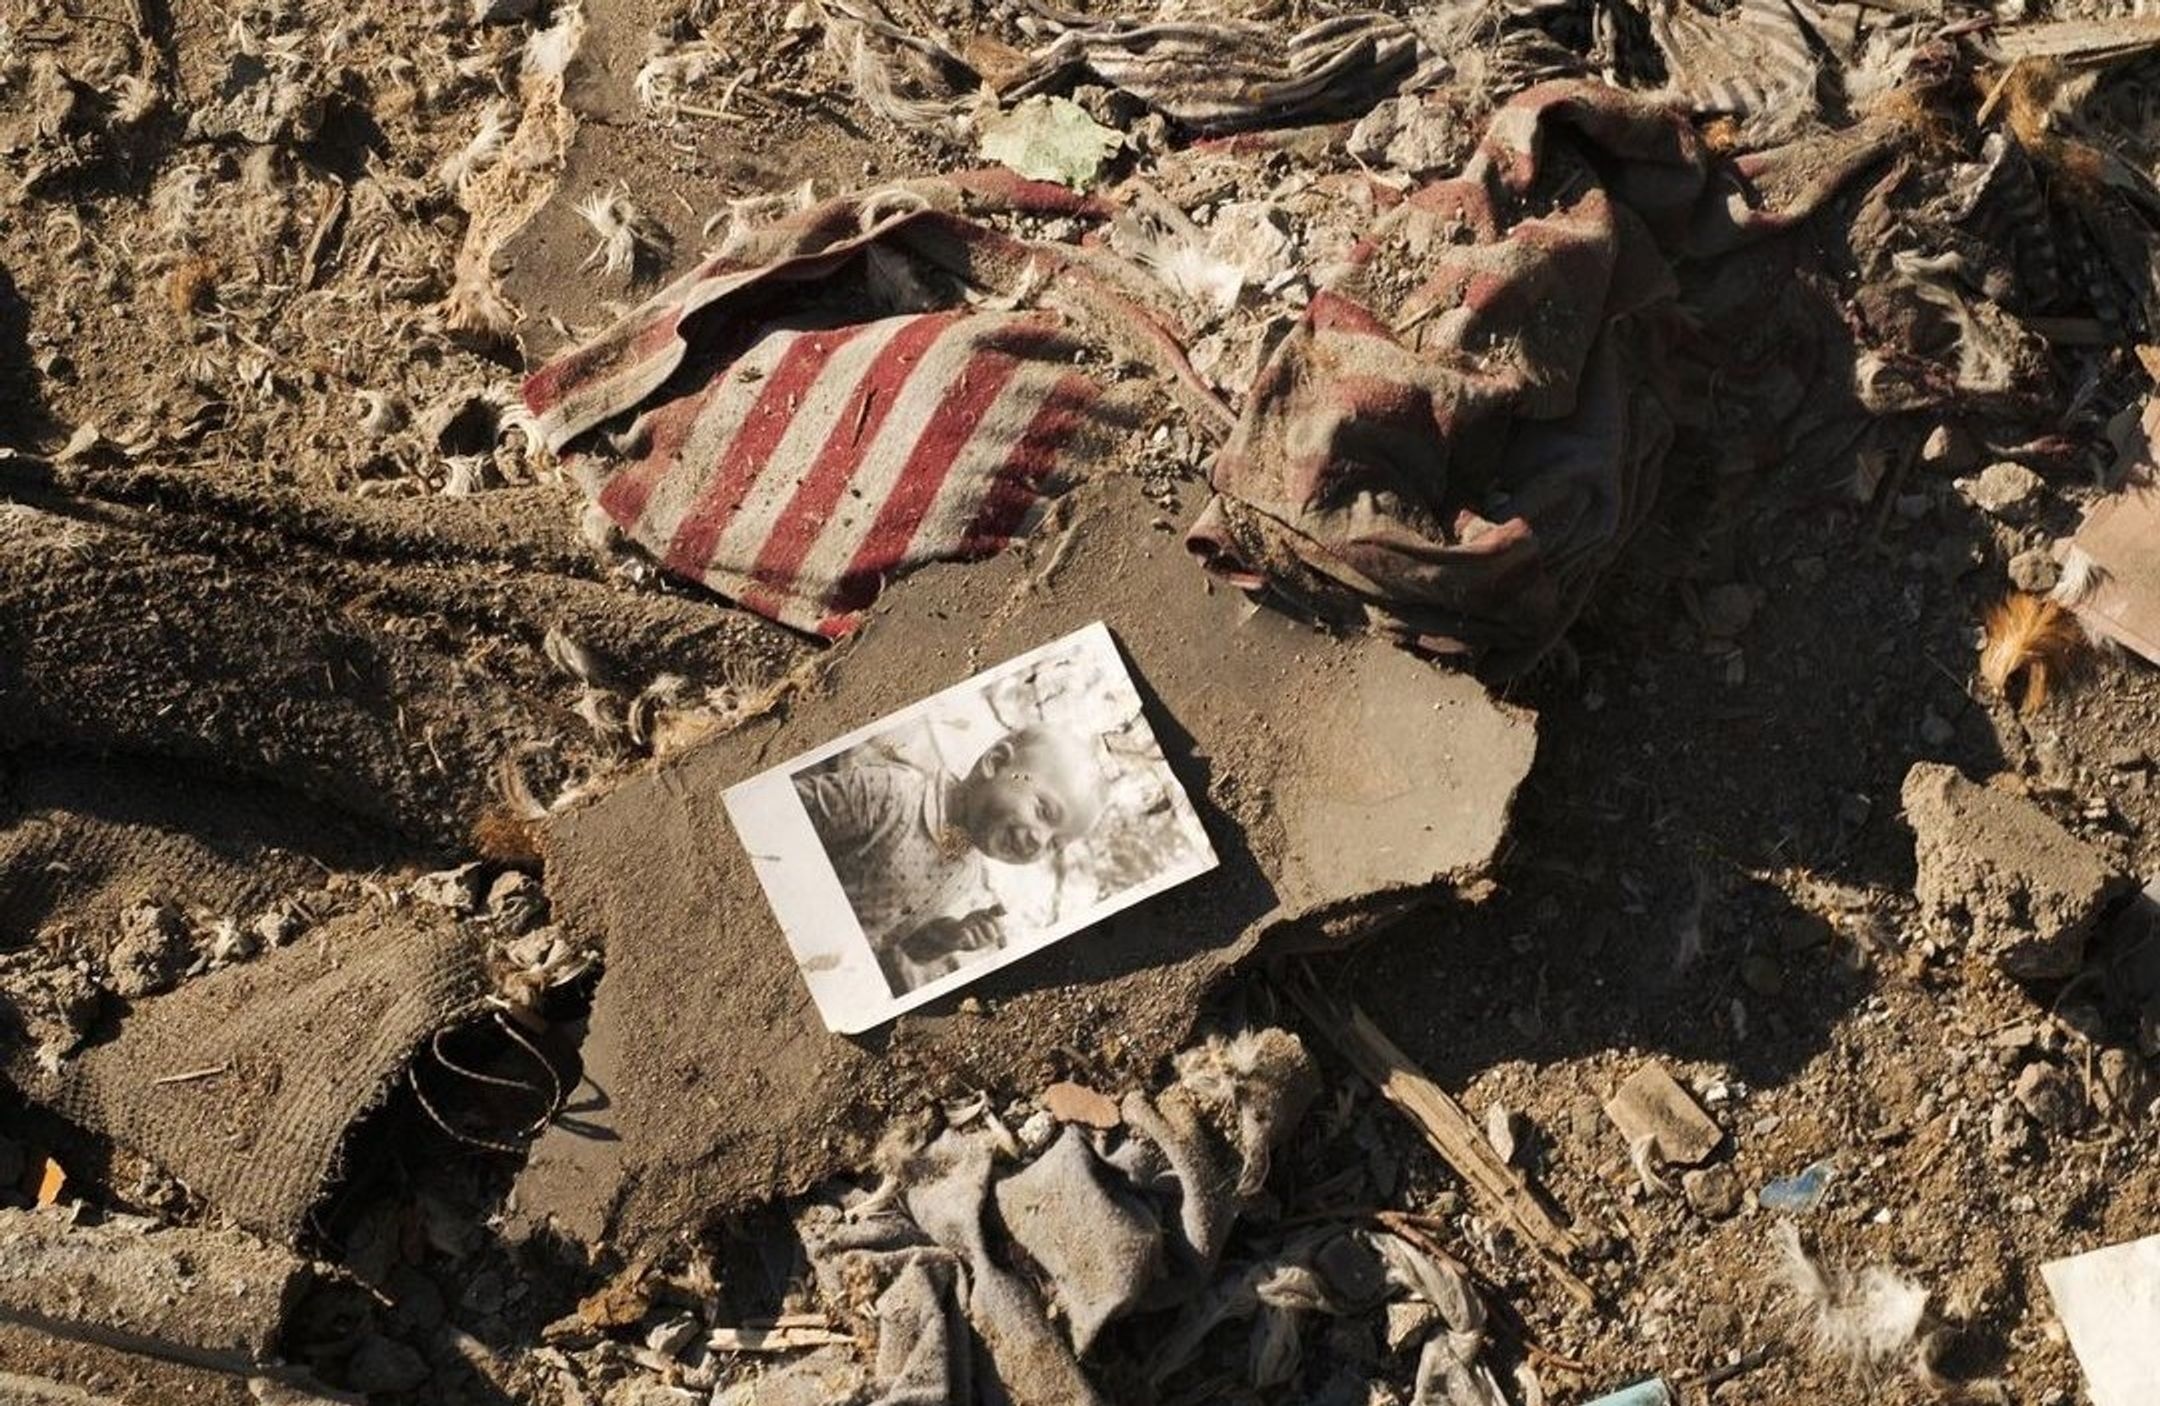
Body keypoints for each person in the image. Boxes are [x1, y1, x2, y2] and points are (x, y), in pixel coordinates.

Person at [794, 724, 1108, 995]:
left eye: (1055, 844)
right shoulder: (892, 795)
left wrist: (948, 937)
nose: (1040, 839)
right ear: (996, 762)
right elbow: (788, 813)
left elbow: (901, 943)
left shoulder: (967, 873)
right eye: (1044, 811)